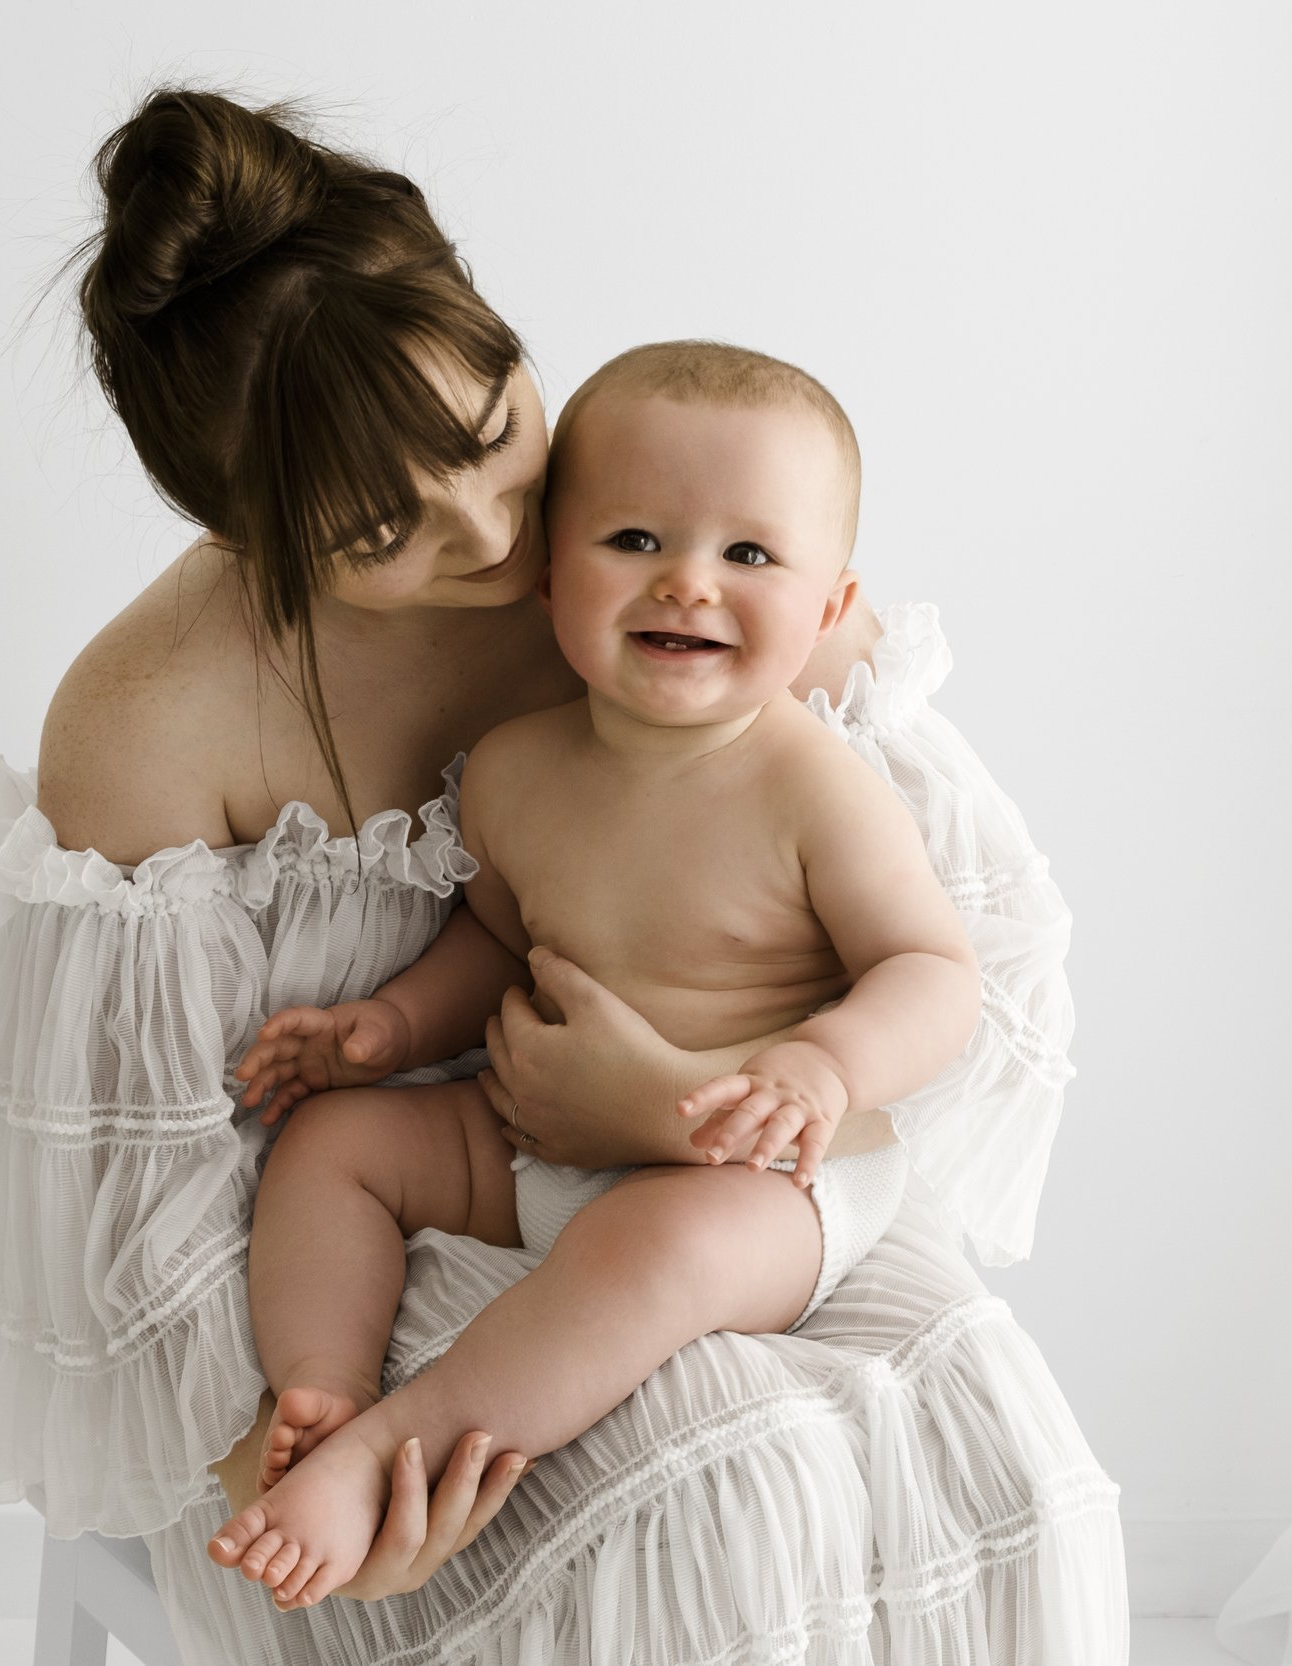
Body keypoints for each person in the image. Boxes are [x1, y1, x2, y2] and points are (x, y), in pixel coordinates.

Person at [0, 85, 1128, 1664]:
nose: (494, 532)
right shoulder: (148, 728)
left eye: (491, 437)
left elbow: (968, 982)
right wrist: (381, 1074)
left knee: (954, 1441)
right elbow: (126, 1226)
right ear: (245, 529)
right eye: (379, 528)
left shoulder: (674, 520)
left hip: (732, 1159)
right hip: (378, 1244)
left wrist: (675, 1098)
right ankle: (361, 1442)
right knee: (710, 1483)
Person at [211, 342, 979, 1607]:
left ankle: (393, 1446)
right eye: (633, 537)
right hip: (535, 1139)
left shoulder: (810, 787)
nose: (688, 580)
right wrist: (392, 1028)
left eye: (749, 554)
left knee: (654, 1243)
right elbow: (501, 943)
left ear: (830, 609)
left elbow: (933, 969)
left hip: (761, 1179)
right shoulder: (513, 767)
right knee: (337, 1143)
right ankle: (319, 1383)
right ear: (551, 571)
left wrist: (821, 1063)